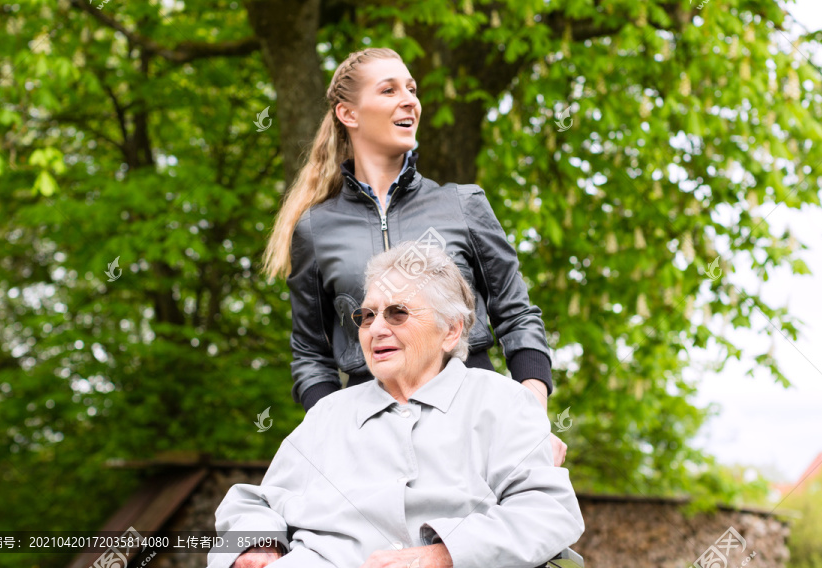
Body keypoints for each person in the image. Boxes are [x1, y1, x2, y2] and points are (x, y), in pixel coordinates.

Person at [261, 48, 568, 464]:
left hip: (474, 424)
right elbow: (311, 354)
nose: (410, 99)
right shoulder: (316, 228)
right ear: (348, 114)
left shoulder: (463, 204)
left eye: (412, 88)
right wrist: (332, 433)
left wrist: (531, 414)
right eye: (389, 90)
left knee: (478, 532)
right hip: (370, 437)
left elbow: (517, 315)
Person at [211, 243, 584, 568]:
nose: (376, 329)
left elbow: (549, 513)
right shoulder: (329, 413)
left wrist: (443, 556)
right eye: (367, 315)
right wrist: (254, 545)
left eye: (397, 313)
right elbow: (253, 502)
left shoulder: (500, 403)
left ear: (451, 329)